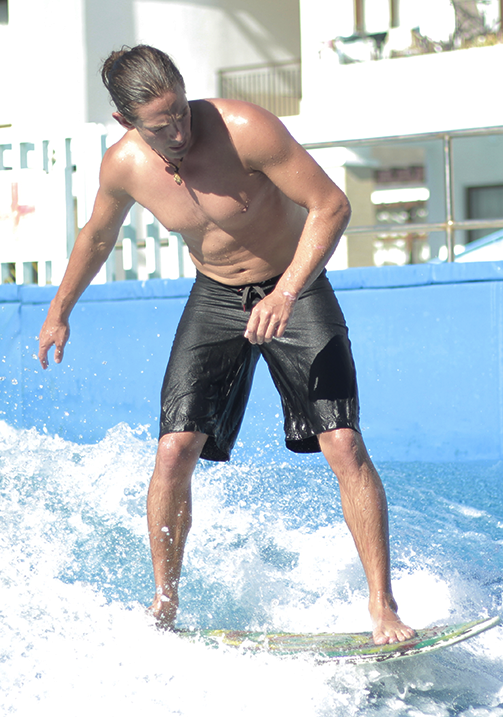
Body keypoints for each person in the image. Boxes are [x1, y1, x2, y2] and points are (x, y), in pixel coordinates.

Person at [38, 45, 414, 645]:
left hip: (296, 284)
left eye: (183, 112)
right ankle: (163, 606)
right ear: (127, 124)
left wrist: (287, 292)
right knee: (172, 451)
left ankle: (383, 606)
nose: (181, 131)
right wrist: (58, 312)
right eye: (163, 126)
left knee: (342, 442)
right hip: (215, 296)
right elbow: (98, 236)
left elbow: (330, 206)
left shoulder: (245, 130)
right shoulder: (124, 166)